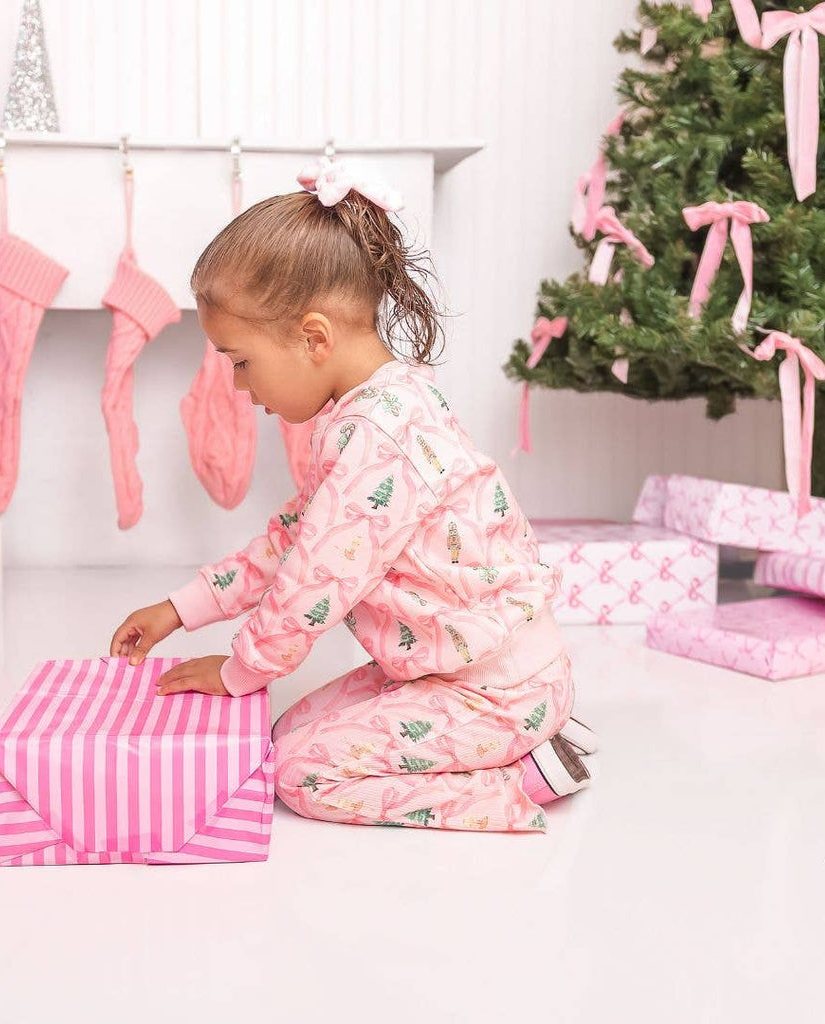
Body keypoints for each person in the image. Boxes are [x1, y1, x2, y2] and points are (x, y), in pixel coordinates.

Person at [109, 157, 598, 833]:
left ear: (313, 337)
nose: (243, 391)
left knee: (298, 770)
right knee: (285, 732)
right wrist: (181, 608)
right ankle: (511, 746)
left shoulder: (377, 434)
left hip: (495, 687)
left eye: (242, 363)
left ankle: (514, 782)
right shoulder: (379, 406)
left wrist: (240, 667)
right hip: (451, 671)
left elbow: (313, 581)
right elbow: (294, 541)